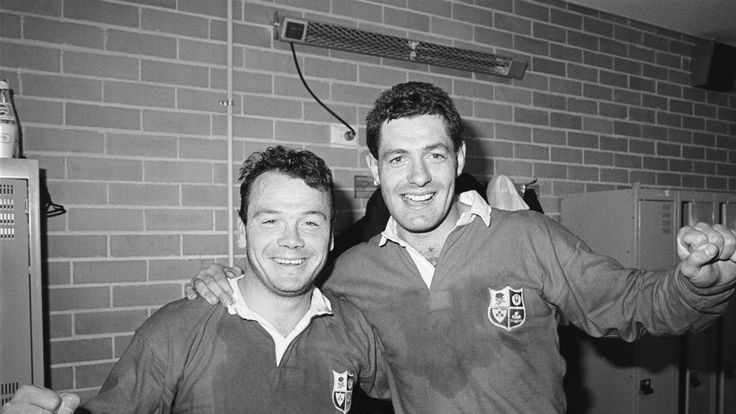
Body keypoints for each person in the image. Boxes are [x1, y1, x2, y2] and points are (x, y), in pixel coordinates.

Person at [187, 82, 736, 413]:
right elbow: (288, 307)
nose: (418, 177)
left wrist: (696, 285)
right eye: (398, 158)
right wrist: (229, 283)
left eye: (435, 154)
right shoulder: (349, 274)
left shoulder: (529, 238)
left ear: (459, 156)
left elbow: (632, 302)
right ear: (375, 168)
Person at [2, 146, 388, 414]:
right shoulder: (174, 331)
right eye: (270, 220)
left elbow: (416, 392)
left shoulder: (353, 325)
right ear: (242, 231)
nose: (292, 239)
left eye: (310, 221)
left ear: (332, 234)